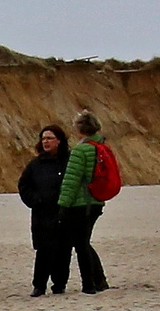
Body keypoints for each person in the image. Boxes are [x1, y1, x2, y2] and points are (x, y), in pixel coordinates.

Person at [56, 109, 111, 294]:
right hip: (96, 201)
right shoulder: (101, 146)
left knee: (81, 244)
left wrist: (63, 205)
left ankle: (90, 284)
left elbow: (71, 180)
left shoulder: (80, 150)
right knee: (84, 242)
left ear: (80, 129)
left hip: (81, 203)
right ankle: (99, 280)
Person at [17, 124, 71, 296]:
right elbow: (24, 185)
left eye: (50, 138)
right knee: (43, 249)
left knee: (63, 249)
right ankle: (39, 285)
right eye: (43, 138)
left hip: (64, 211)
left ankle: (59, 284)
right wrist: (34, 200)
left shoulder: (69, 161)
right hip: (42, 212)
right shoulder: (35, 164)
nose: (46, 141)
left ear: (59, 141)